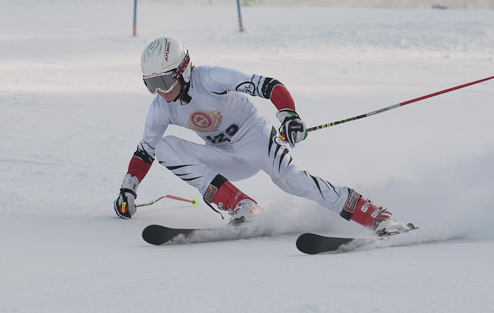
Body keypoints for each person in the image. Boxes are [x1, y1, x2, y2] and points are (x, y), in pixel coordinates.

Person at [113, 37, 412, 235]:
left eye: (165, 81)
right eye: (152, 84)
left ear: (184, 71)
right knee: (164, 147)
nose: (161, 92)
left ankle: (375, 215)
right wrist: (128, 189)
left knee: (291, 180)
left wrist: (288, 115)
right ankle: (242, 205)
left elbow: (269, 85)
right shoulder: (161, 108)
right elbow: (145, 151)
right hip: (226, 157)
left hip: (255, 138)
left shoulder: (212, 77)